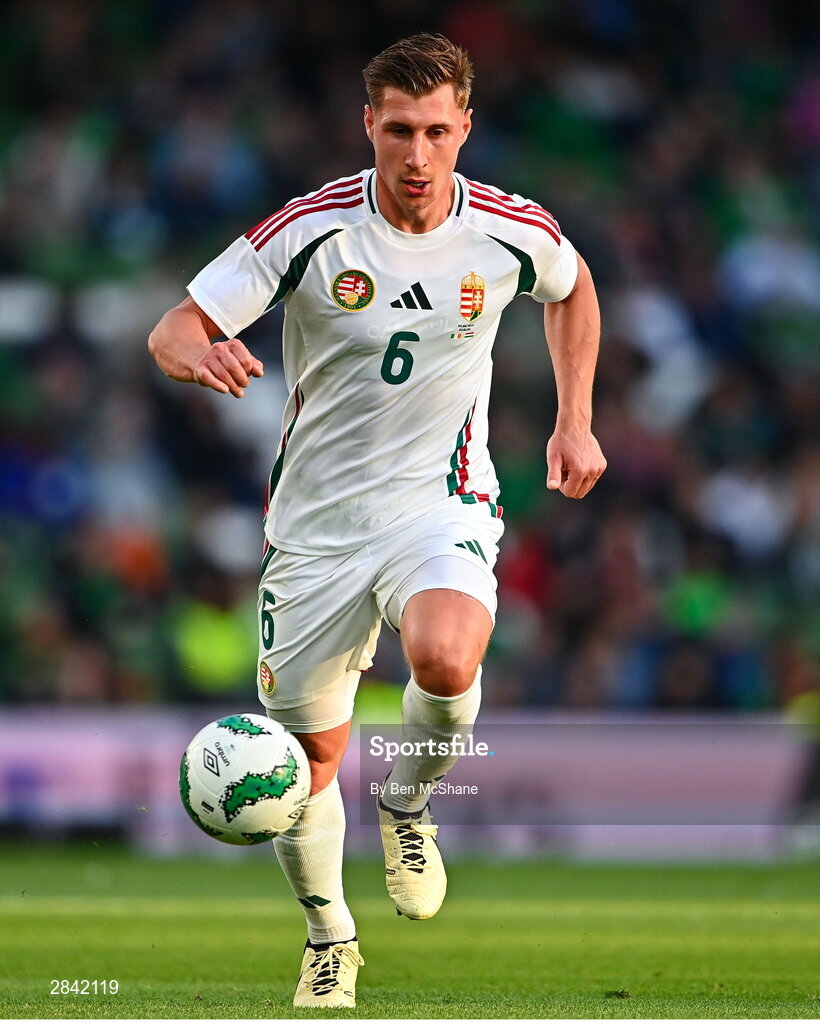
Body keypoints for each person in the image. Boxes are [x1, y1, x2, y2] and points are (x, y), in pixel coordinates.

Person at [148, 32, 605, 1009]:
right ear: (369, 125)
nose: (416, 152)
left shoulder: (509, 228)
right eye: (398, 128)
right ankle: (330, 939)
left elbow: (573, 290)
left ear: (463, 128)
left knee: (446, 657)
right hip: (315, 527)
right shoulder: (311, 229)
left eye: (436, 130)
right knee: (309, 759)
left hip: (440, 501)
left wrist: (574, 419)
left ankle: (407, 801)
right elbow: (173, 327)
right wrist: (200, 355)